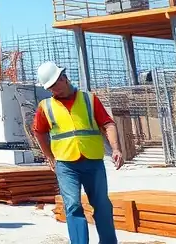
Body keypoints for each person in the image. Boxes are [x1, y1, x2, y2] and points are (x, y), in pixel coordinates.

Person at [34, 61, 123, 244]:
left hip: (93, 161)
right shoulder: (45, 106)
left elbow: (108, 123)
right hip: (66, 164)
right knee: (73, 205)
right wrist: (49, 157)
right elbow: (39, 131)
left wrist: (116, 149)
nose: (53, 90)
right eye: (49, 87)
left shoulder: (89, 99)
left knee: (102, 205)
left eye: (54, 85)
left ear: (64, 78)